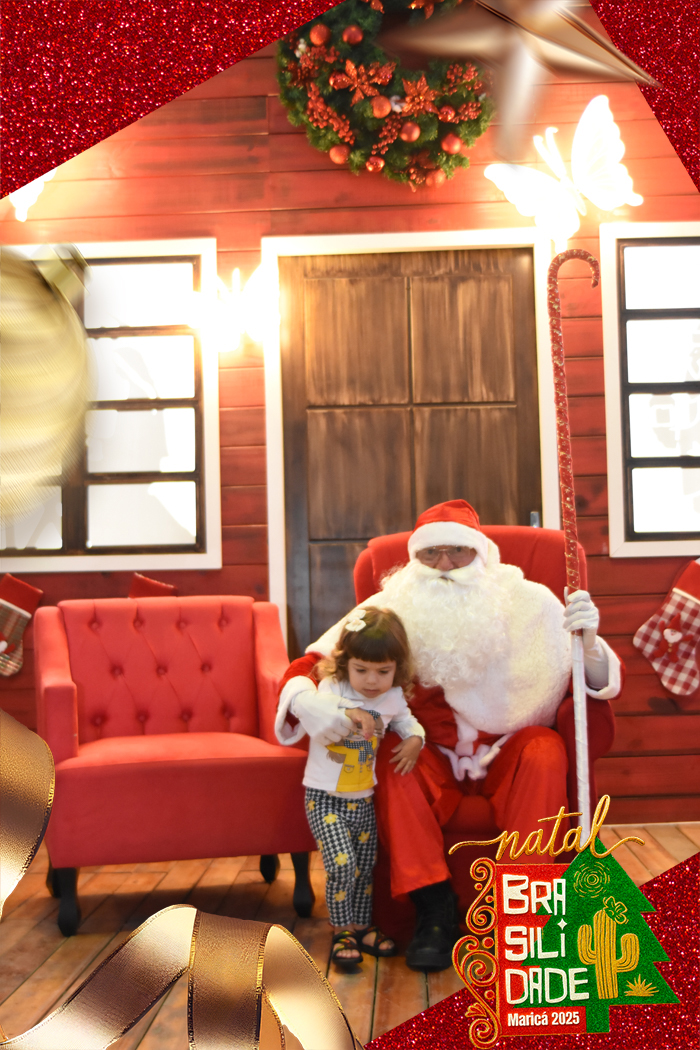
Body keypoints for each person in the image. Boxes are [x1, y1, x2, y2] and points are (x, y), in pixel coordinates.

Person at [277, 500, 623, 972]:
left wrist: (590, 643)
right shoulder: (393, 603)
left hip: (507, 753)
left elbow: (591, 682)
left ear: (480, 553)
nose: (443, 565)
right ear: (414, 559)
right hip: (430, 753)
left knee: (546, 750)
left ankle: (524, 913)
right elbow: (313, 661)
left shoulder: (532, 600)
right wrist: (304, 700)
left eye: (457, 551)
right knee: (394, 756)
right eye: (430, 553)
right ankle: (433, 908)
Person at [275, 606, 425, 970]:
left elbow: (408, 721)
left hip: (363, 799)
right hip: (324, 798)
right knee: (341, 863)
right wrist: (349, 711)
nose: (372, 681)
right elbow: (322, 707)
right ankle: (341, 929)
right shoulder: (333, 687)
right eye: (362, 670)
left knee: (364, 866)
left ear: (397, 668)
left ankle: (362, 926)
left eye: (383, 672)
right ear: (345, 664)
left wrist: (415, 739)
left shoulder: (392, 697)